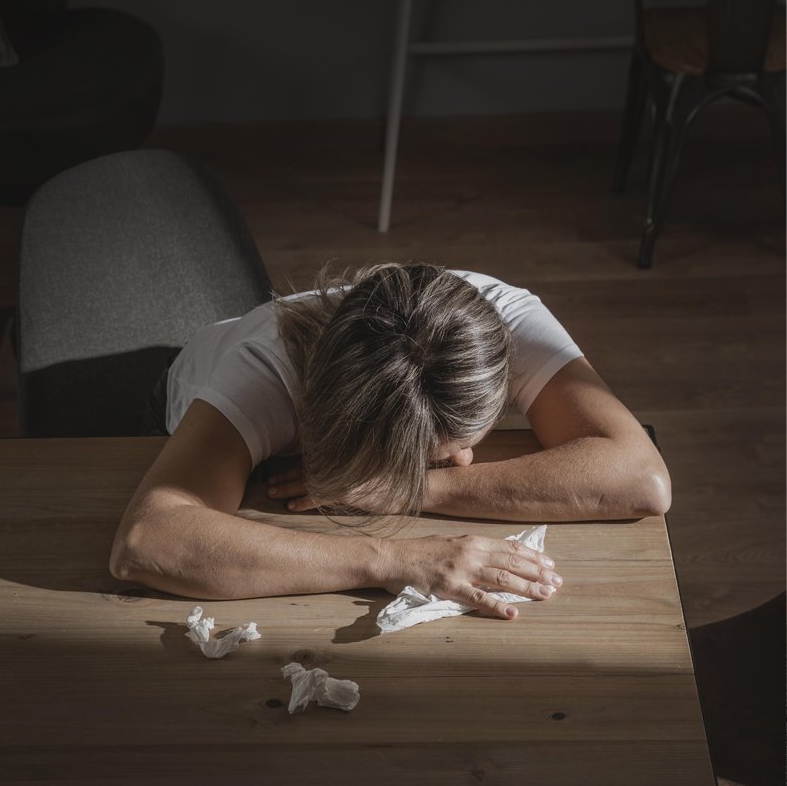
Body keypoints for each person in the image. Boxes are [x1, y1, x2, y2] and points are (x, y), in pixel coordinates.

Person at [110, 263, 671, 620]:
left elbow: (641, 480)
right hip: (170, 405)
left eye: (466, 439)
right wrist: (397, 558)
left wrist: (411, 485)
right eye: (437, 452)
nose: (467, 460)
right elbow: (148, 540)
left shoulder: (495, 318)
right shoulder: (262, 374)